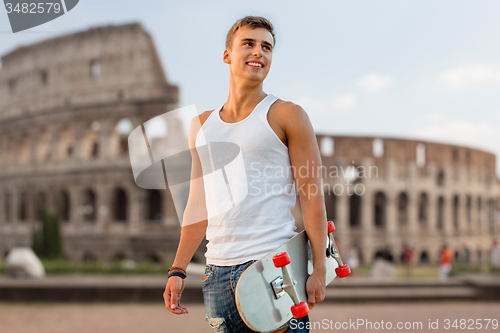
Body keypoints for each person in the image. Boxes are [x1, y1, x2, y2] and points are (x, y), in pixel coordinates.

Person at [163, 16, 328, 333]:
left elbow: (311, 194)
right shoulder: (200, 125)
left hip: (273, 267)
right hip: (216, 274)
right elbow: (198, 203)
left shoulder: (287, 114)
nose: (259, 53)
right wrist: (178, 269)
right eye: (249, 43)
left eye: (266, 47)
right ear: (227, 55)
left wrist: (318, 266)